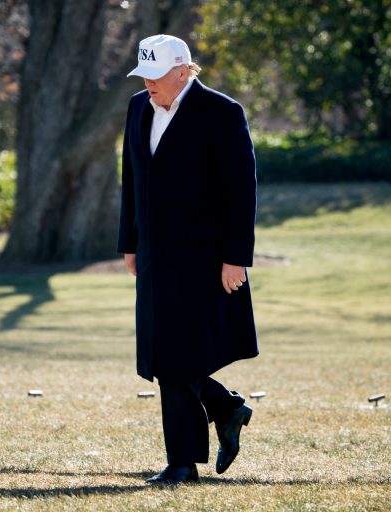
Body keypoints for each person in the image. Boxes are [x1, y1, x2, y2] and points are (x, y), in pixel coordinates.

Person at [117, 34, 259, 485]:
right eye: (143, 74)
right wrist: (129, 242)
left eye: (155, 75)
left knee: (176, 354)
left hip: (205, 259)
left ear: (183, 71)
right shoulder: (137, 108)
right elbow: (131, 179)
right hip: (153, 256)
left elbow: (241, 191)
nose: (147, 83)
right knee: (165, 352)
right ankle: (225, 408)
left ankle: (183, 462)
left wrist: (236, 257)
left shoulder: (222, 112)